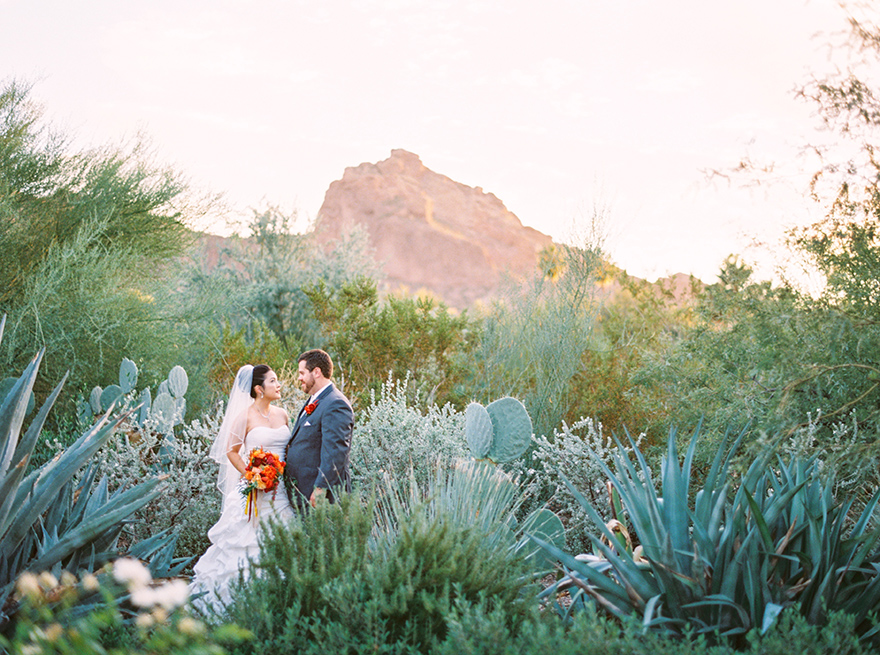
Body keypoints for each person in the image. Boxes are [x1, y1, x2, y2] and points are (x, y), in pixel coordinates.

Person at [190, 364, 295, 609]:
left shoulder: (282, 414)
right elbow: (232, 451)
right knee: (246, 545)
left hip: (281, 495)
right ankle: (239, 604)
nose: (278, 385)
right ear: (259, 389)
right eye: (273, 381)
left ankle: (279, 603)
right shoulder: (244, 416)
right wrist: (252, 474)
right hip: (255, 493)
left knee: (283, 541)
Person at [286, 349, 354, 509]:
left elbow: (335, 451)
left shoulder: (336, 404)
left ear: (316, 372)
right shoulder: (317, 400)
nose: (299, 378)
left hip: (321, 497)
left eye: (302, 373)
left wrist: (320, 488)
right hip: (302, 491)